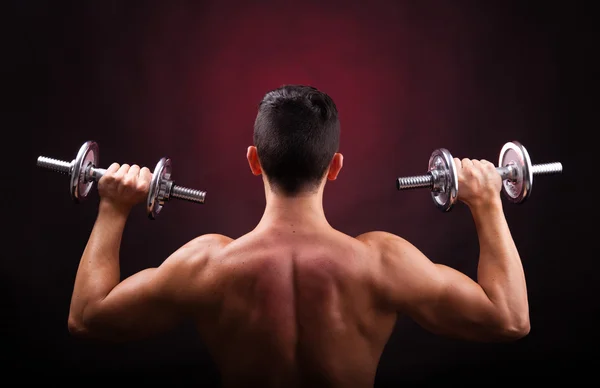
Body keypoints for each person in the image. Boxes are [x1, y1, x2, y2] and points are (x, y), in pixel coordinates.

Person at [67, 84, 530, 387]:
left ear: (254, 160)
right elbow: (509, 319)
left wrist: (113, 206)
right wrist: (488, 202)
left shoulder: (207, 265)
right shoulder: (382, 262)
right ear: (335, 167)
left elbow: (87, 317)